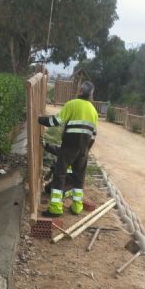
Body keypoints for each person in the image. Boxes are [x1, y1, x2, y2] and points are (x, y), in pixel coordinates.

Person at [38, 81, 98, 217]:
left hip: (70, 146)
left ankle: (55, 208)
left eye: (79, 89)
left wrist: (39, 119)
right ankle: (77, 207)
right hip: (84, 149)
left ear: (81, 91)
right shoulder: (93, 111)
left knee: (60, 175)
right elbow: (93, 135)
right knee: (79, 177)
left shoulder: (72, 104)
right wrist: (86, 151)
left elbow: (55, 121)